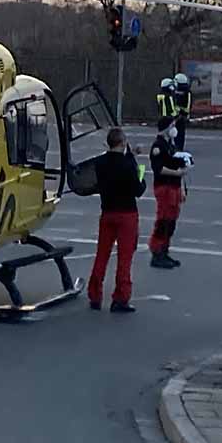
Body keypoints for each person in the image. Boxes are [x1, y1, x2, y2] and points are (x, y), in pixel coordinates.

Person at [87, 128, 146, 313]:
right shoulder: (128, 164)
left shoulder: (100, 162)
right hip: (127, 214)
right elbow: (139, 189)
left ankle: (95, 295)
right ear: (122, 143)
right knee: (124, 258)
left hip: (107, 212)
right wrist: (140, 170)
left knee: (101, 255)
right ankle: (120, 298)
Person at [149, 115, 189, 269]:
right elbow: (159, 169)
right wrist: (177, 173)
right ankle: (157, 253)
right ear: (165, 128)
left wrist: (182, 188)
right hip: (164, 187)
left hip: (174, 188)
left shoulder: (171, 145)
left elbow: (178, 164)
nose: (174, 128)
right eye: (172, 125)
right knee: (163, 221)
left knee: (171, 222)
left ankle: (165, 251)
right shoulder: (158, 146)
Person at [173, 72, 192, 151]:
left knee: (179, 132)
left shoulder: (178, 91)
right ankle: (177, 147)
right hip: (179, 115)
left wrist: (183, 113)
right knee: (178, 132)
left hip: (179, 116)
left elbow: (187, 105)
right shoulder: (186, 92)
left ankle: (178, 147)